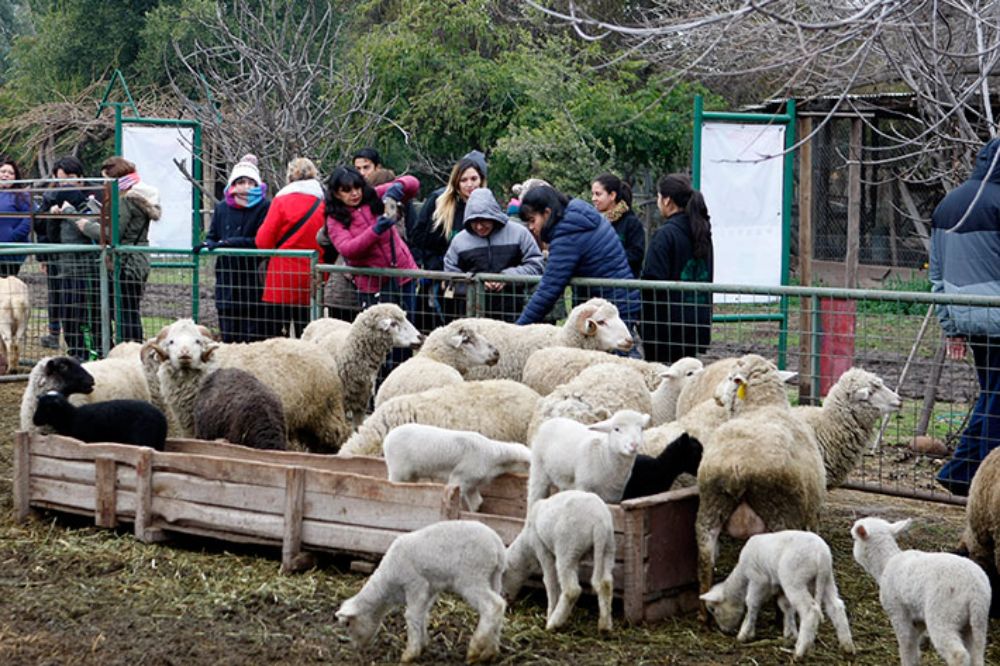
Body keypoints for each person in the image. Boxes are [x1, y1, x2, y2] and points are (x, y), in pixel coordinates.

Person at [932, 137, 1000, 496]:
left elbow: (936, 276)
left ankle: (958, 473)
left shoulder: (949, 202)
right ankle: (989, 484)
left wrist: (950, 327)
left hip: (967, 317)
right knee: (996, 401)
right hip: (997, 316)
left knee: (992, 393)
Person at [515, 184, 640, 329]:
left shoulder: (567, 235)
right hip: (617, 302)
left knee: (615, 351)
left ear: (547, 213)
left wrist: (518, 329)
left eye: (532, 220)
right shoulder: (578, 212)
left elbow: (548, 289)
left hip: (609, 312)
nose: (531, 227)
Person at [75, 156, 160, 342]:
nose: (105, 183)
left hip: (127, 263)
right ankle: (131, 348)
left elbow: (114, 233)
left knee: (124, 312)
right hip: (137, 260)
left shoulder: (125, 200)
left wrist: (85, 226)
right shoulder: (139, 197)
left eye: (106, 178)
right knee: (128, 310)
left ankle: (129, 350)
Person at [640, 173, 714, 364]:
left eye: (658, 196)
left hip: (664, 330)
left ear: (667, 200)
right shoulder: (702, 232)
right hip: (695, 322)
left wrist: (644, 322)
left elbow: (651, 282)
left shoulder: (665, 235)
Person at [324, 166, 420, 312]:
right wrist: (375, 230)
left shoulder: (373, 196)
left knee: (408, 325)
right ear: (337, 194)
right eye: (347, 190)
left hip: (403, 273)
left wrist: (398, 187)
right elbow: (348, 249)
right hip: (372, 284)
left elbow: (413, 183)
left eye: (357, 187)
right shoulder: (334, 219)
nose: (355, 193)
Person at [197, 154, 270, 343]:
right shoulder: (222, 208)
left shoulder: (264, 207)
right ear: (232, 185)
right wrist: (209, 243)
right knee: (229, 336)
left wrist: (229, 243)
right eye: (240, 182)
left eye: (250, 182)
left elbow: (260, 240)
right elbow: (214, 234)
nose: (245, 186)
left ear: (257, 184)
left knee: (251, 338)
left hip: (252, 280)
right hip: (227, 280)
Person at [443, 187, 544, 322]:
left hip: (514, 313)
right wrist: (476, 283)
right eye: (474, 221)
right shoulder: (459, 241)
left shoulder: (519, 233)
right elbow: (450, 275)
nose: (479, 226)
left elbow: (536, 264)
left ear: (494, 215)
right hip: (473, 316)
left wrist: (507, 277)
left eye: (484, 220)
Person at [411, 151, 488, 322]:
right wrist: (438, 268)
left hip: (475, 278)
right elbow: (420, 238)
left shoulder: (488, 206)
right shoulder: (440, 203)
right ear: (456, 182)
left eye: (474, 179)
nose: (470, 185)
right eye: (464, 180)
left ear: (481, 180)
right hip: (443, 279)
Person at [255, 157, 326, 338]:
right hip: (313, 276)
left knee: (276, 337)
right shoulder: (323, 203)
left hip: (282, 278)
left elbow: (263, 242)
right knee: (309, 335)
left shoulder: (281, 201)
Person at [41, 156, 101, 360]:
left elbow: (95, 229)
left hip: (89, 267)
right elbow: (46, 233)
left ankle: (93, 353)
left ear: (81, 177)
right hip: (62, 265)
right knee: (67, 311)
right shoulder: (52, 196)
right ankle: (75, 352)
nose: (66, 183)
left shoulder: (95, 196)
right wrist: (51, 217)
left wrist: (70, 211)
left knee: (88, 313)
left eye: (71, 178)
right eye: (61, 179)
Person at [591, 173, 646, 277]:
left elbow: (636, 255)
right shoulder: (592, 222)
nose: (593, 198)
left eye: (598, 194)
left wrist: (606, 259)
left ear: (612, 195)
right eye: (592, 194)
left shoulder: (631, 223)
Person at [0, 157, 32, 278]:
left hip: (10, 252)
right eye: (3, 171)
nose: (6, 175)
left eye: (11, 173)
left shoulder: (22, 196)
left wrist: (13, 235)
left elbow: (29, 218)